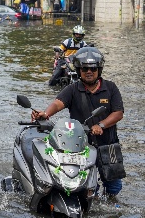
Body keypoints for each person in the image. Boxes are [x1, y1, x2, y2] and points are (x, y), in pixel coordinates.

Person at [31, 47, 124, 199]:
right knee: (84, 185)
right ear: (79, 70)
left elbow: (118, 113)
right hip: (81, 146)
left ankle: (110, 205)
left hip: (108, 144)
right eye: (85, 68)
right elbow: (58, 103)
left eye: (93, 68)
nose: (89, 71)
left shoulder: (111, 88)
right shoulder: (73, 89)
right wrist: (45, 114)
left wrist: (101, 125)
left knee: (114, 187)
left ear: (99, 69)